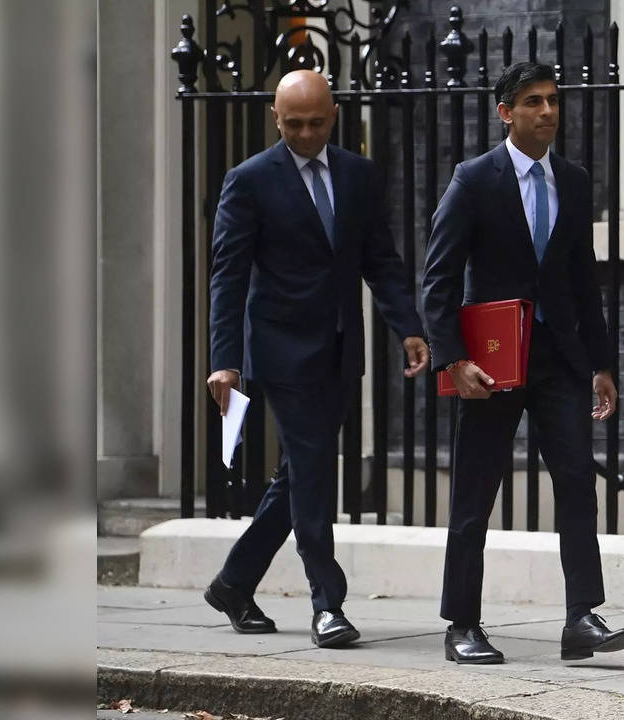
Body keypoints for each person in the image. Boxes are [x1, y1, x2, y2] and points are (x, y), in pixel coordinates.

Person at [204, 69, 429, 649]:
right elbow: (228, 276)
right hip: (280, 351)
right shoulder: (249, 180)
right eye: (293, 123)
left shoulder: (358, 174)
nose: (305, 133)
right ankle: (328, 603)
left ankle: (233, 582)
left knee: (301, 472)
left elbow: (380, 258)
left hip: (338, 348)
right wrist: (225, 359)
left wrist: (407, 326)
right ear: (275, 120)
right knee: (314, 472)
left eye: (316, 122)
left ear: (334, 116)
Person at [420, 61, 624, 665]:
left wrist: (601, 363)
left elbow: (582, 278)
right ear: (505, 112)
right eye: (534, 102)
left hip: (558, 360)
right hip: (492, 365)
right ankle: (461, 622)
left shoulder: (571, 178)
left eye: (553, 101)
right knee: (475, 490)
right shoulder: (473, 180)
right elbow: (437, 279)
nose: (547, 112)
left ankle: (580, 619)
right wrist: (453, 359)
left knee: (576, 482)